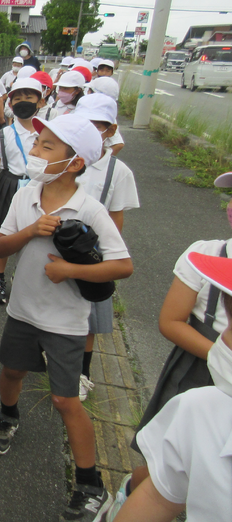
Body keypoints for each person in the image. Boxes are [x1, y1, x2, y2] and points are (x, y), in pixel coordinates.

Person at [0, 113, 133, 522]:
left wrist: (71, 271)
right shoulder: (25, 195)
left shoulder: (89, 209)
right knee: (12, 370)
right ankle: (7, 415)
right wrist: (32, 230)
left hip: (67, 321)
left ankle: (89, 483)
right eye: (37, 144)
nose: (34, 151)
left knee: (65, 398)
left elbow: (123, 266)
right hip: (23, 311)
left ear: (75, 163)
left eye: (46, 146)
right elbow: (1, 244)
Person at [109, 172, 232, 514]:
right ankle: (131, 493)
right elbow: (170, 321)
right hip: (196, 373)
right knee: (163, 463)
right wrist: (222, 356)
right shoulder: (207, 255)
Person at [73, 93, 140, 401]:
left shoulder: (118, 171)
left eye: (96, 125)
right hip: (55, 245)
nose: (88, 131)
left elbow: (115, 221)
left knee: (88, 318)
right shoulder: (65, 159)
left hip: (91, 254)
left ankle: (82, 373)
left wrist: (106, 260)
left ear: (110, 130)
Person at [0, 78, 45, 304]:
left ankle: (25, 277)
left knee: (36, 235)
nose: (22, 102)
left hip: (40, 187)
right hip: (9, 185)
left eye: (29, 97)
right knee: (4, 234)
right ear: (10, 103)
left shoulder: (46, 132)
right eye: (17, 98)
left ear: (41, 101)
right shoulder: (4, 134)